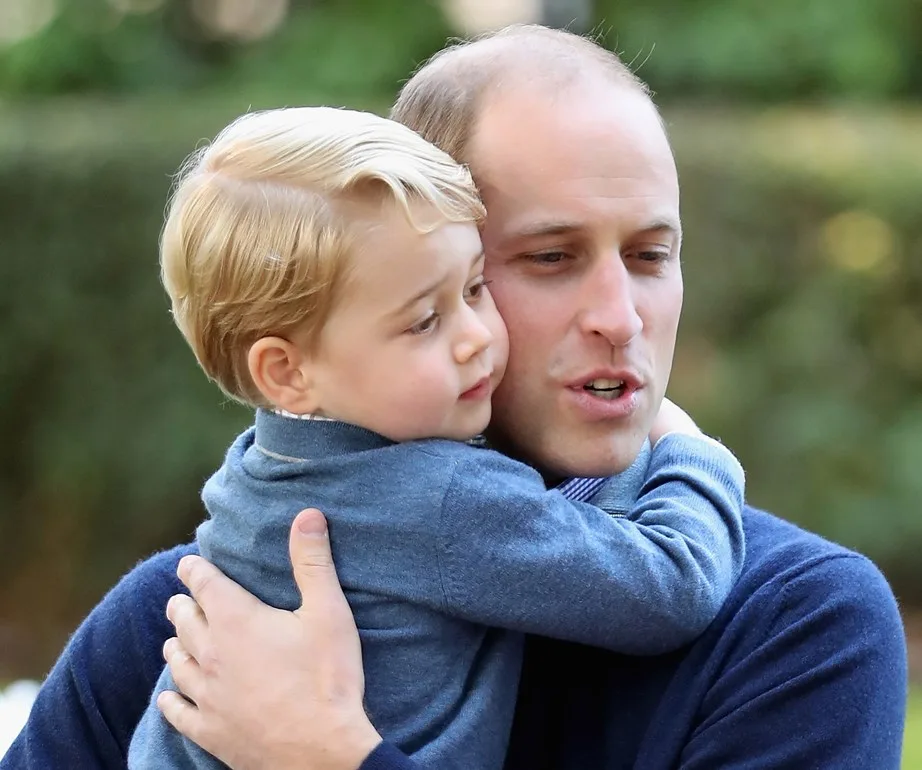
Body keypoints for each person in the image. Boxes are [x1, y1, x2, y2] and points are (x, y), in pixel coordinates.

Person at [2, 23, 907, 770]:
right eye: (548, 258)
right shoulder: (201, 625)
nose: (619, 316)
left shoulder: (798, 628)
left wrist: (331, 759)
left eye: (650, 256)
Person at [126, 104, 744, 770]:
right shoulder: (444, 498)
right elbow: (671, 586)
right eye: (423, 322)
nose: (476, 335)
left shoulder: (255, 472)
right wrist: (689, 451)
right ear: (287, 371)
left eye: (475, 288)